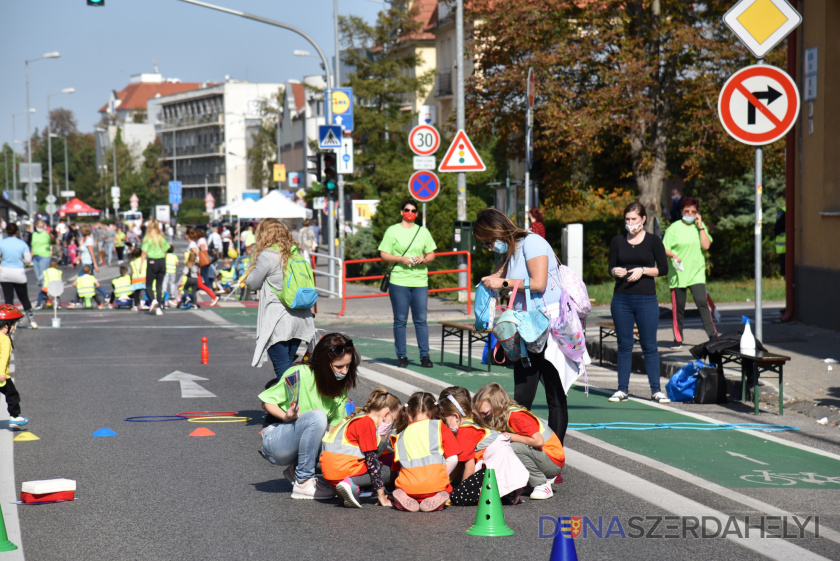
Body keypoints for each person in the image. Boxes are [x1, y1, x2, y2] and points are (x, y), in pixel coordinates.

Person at [473, 207, 584, 444]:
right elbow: (498, 279)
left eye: (489, 241)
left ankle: (555, 455)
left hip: (549, 325)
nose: (490, 248)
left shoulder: (532, 242)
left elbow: (539, 282)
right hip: (525, 329)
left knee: (555, 396)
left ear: (498, 231)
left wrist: (501, 281)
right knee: (522, 397)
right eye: (485, 245)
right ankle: (523, 453)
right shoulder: (510, 252)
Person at [258, 332, 359, 499]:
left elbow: (333, 429)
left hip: (299, 444)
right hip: (276, 440)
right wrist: (286, 416)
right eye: (339, 367)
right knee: (317, 417)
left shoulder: (340, 387)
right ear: (324, 363)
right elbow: (266, 401)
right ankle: (303, 482)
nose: (344, 371)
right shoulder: (300, 373)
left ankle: (296, 468)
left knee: (342, 440)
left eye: (348, 366)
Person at [608, 201, 670, 403]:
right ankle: (622, 389)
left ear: (643, 219)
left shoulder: (653, 241)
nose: (630, 222)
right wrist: (614, 271)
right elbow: (611, 267)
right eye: (627, 219)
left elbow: (663, 269)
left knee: (649, 345)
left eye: (634, 219)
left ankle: (656, 390)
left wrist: (642, 270)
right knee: (624, 345)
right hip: (621, 299)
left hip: (646, 299)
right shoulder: (617, 241)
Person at [246, 218, 315, 379]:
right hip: (301, 317)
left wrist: (253, 262)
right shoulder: (296, 252)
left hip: (278, 320)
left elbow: (252, 284)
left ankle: (294, 402)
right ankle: (293, 399)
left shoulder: (268, 255)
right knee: (288, 364)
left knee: (282, 367)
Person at [473, 382, 563, 500]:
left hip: (552, 460)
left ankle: (541, 484)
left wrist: (509, 436)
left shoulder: (516, 416)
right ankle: (528, 481)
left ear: (496, 407)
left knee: (514, 447)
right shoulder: (500, 415)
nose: (483, 417)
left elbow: (538, 441)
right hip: (542, 456)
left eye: (485, 413)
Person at [378, 201, 437, 368]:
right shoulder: (392, 230)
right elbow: (383, 254)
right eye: (406, 210)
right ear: (401, 211)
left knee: (421, 320)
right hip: (399, 279)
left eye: (413, 210)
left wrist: (424, 258)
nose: (409, 212)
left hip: (420, 279)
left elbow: (432, 253)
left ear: (417, 214)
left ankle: (425, 356)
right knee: (400, 320)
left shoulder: (423, 231)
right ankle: (402, 356)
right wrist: (400, 259)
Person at [320, 387, 401, 508]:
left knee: (381, 454)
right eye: (393, 420)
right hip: (342, 472)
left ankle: (351, 487)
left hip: (331, 472)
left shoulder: (358, 416)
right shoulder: (367, 423)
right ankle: (351, 483)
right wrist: (381, 496)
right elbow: (372, 462)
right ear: (386, 414)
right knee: (387, 471)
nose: (392, 424)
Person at [391, 391, 460, 512]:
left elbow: (398, 468)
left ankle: (406, 496)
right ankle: (438, 498)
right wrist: (443, 475)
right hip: (435, 485)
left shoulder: (400, 436)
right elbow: (453, 459)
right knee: (446, 487)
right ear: (435, 411)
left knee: (404, 483)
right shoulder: (439, 427)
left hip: (409, 486)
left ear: (408, 414)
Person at [662, 196, 716, 347]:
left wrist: (700, 227)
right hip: (678, 273)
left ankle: (712, 334)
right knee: (679, 307)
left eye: (693, 212)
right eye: (687, 211)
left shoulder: (700, 227)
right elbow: (664, 247)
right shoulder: (673, 228)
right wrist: (673, 255)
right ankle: (678, 338)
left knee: (702, 303)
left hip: (696, 272)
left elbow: (706, 246)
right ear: (681, 212)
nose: (690, 214)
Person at [439, 386, 503, 506]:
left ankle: (500, 494)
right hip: (503, 465)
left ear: (455, 416)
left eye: (445, 419)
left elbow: (469, 466)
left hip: (498, 468)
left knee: (458, 497)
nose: (445, 424)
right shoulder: (470, 422)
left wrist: (460, 491)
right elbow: (460, 461)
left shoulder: (464, 431)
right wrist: (445, 482)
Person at [0, 224, 37, 329]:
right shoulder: (22, 244)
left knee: (8, 299)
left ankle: (9, 323)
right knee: (24, 298)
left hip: (5, 273)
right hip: (19, 273)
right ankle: (32, 320)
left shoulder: (2, 243)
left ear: (7, 232)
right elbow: (28, 259)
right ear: (16, 232)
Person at [0, 304, 28, 426]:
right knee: (12, 395)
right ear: (7, 325)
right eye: (14, 324)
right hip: (2, 375)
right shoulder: (5, 339)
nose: (15, 328)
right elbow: (3, 357)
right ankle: (14, 416)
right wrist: (1, 373)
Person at [141, 219, 172, 316]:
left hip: (152, 261)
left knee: (148, 285)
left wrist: (141, 264)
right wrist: (164, 260)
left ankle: (153, 300)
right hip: (162, 261)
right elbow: (166, 250)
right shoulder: (161, 238)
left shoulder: (148, 238)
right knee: (159, 286)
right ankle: (159, 307)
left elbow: (144, 252)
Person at [185, 228, 219, 306]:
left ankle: (213, 296)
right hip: (196, 266)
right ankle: (189, 299)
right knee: (197, 284)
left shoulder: (194, 244)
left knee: (196, 284)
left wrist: (195, 265)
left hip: (195, 266)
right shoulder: (195, 243)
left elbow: (197, 254)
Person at [30, 220, 53, 288]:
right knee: (38, 277)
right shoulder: (34, 234)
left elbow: (52, 239)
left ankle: (42, 295)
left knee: (42, 276)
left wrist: (49, 233)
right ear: (36, 226)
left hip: (44, 256)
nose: (40, 227)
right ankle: (43, 293)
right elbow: (32, 245)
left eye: (41, 226)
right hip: (35, 256)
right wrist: (30, 257)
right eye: (38, 226)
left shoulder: (46, 233)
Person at [774, 195, 786, 278]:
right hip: (793, 248)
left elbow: (777, 229)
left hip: (783, 247)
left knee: (786, 272)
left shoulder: (782, 212)